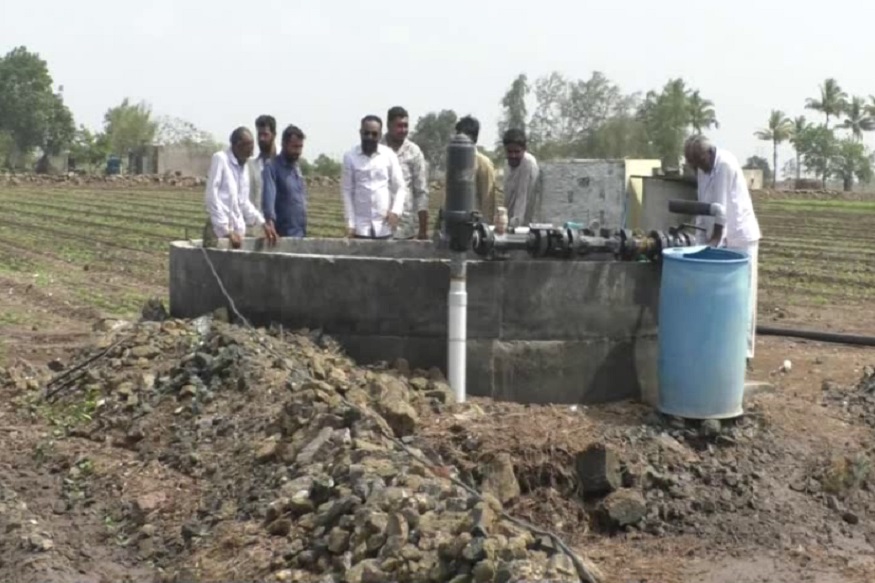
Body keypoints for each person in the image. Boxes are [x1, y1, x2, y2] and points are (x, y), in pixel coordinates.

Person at [684, 134, 762, 368]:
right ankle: (720, 348)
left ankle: (744, 354)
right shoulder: (702, 169)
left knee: (743, 295)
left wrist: (712, 246)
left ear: (709, 153)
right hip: (719, 235)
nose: (699, 168)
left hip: (740, 237)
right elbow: (702, 208)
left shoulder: (725, 164)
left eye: (700, 162)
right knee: (719, 296)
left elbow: (721, 210)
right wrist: (698, 243)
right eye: (695, 165)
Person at [202, 127, 277, 249]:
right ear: (237, 145)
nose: (251, 154)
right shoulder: (221, 159)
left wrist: (262, 223)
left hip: (236, 233)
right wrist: (226, 230)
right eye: (249, 149)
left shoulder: (243, 166)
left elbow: (243, 202)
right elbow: (211, 196)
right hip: (218, 232)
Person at [341, 115, 407, 239]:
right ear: (360, 133)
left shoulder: (389, 155)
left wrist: (396, 211)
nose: (370, 137)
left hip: (384, 227)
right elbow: (347, 191)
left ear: (380, 135)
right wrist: (350, 223)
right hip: (360, 228)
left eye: (374, 134)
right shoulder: (350, 156)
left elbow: (400, 187)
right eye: (366, 133)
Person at [382, 106, 429, 240]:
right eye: (399, 126)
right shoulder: (378, 148)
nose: (403, 130)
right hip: (379, 225)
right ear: (389, 125)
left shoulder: (414, 151)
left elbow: (421, 191)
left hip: (405, 227)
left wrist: (423, 230)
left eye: (405, 126)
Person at [262, 125, 308, 238]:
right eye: (294, 147)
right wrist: (269, 221)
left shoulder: (296, 168)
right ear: (284, 144)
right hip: (282, 234)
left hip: (300, 232)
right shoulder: (272, 167)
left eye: (300, 147)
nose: (298, 151)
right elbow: (269, 197)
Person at [455, 115, 498, 222]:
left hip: (473, 224)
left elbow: (488, 201)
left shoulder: (484, 164)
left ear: (474, 138)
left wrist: (485, 226)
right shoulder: (454, 161)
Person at [502, 128, 541, 226]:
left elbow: (522, 198)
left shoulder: (527, 164)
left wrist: (515, 226)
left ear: (524, 149)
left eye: (517, 152)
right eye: (509, 151)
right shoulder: (507, 164)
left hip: (524, 225)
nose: (513, 155)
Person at [249, 115, 277, 213]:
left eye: (265, 135)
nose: (261, 139)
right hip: (258, 219)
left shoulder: (284, 162)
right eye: (259, 135)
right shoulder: (252, 165)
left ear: (274, 135)